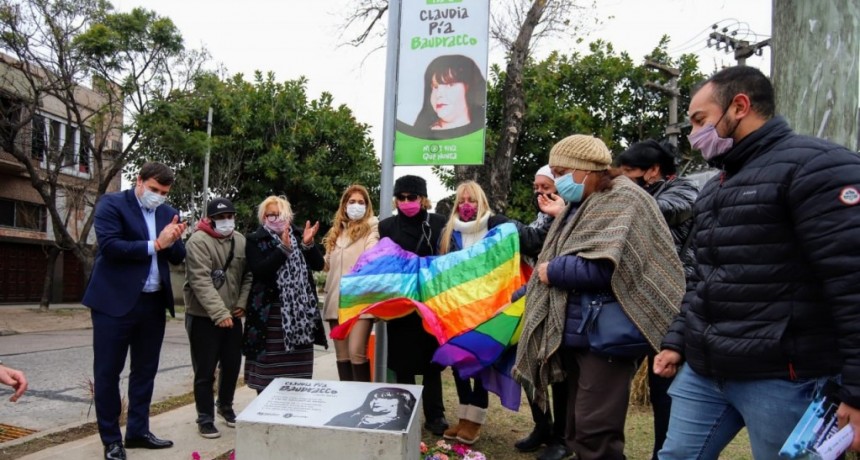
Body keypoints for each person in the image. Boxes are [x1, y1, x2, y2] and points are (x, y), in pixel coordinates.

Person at [654, 66, 860, 458]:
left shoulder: (816, 168)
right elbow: (703, 276)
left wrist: (857, 390)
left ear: (740, 107)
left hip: (783, 377)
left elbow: (852, 281)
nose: (694, 135)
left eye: (700, 120)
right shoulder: (715, 188)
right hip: (705, 371)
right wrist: (678, 339)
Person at [513, 135, 685, 460]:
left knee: (596, 432)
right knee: (577, 430)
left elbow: (608, 267)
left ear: (586, 169)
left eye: (562, 171)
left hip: (608, 337)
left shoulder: (622, 199)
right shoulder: (582, 203)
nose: (558, 180)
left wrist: (554, 270)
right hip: (580, 332)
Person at [82, 162, 187, 460]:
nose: (158, 196)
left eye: (164, 192)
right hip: (113, 303)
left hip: (152, 303)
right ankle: (112, 440)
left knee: (145, 371)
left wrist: (176, 238)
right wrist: (156, 243)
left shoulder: (168, 212)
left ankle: (138, 431)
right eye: (154, 189)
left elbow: (177, 256)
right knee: (107, 373)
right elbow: (111, 246)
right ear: (139, 181)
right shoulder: (112, 204)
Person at [616, 140, 699, 460]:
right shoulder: (647, 194)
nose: (623, 178)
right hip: (641, 301)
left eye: (628, 172)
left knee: (665, 385)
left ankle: (661, 453)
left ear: (653, 171)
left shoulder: (684, 192)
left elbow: (667, 211)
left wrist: (623, 194)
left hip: (674, 302)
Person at [436, 180, 511, 445]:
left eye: (472, 200)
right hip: (456, 309)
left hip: (487, 310)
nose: (467, 206)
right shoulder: (448, 232)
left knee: (479, 363)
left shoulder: (496, 227)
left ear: (482, 202)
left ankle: (475, 419)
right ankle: (464, 415)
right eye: (462, 201)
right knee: (458, 364)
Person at [377, 175, 449, 435]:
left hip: (429, 303)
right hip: (400, 305)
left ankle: (435, 415)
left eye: (412, 197)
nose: (406, 201)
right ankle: (404, 413)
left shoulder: (438, 223)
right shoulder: (386, 226)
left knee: (431, 362)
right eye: (402, 197)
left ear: (422, 198)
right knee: (402, 362)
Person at [183, 197, 252, 439]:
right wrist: (219, 313)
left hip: (233, 316)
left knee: (232, 365)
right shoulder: (197, 241)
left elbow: (248, 276)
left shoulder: (241, 241)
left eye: (229, 216)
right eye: (221, 218)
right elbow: (199, 281)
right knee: (205, 370)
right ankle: (205, 417)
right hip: (203, 317)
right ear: (210, 220)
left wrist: (242, 304)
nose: (226, 221)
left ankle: (225, 406)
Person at [514, 165, 570, 460]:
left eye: (544, 186)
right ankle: (542, 426)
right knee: (527, 361)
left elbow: (535, 242)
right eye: (535, 187)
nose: (539, 192)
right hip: (537, 295)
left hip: (563, 300)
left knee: (558, 371)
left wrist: (507, 226)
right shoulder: (543, 214)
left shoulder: (571, 211)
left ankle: (562, 437)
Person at [242, 195, 325, 393]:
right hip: (269, 316)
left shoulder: (298, 236)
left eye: (281, 215)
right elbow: (261, 271)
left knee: (298, 376)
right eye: (272, 215)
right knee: (268, 375)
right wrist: (283, 250)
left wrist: (308, 245)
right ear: (263, 217)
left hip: (300, 316)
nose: (277, 219)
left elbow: (318, 265)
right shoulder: (254, 240)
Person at [322, 185, 379, 382]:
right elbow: (326, 264)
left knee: (356, 352)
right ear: (344, 205)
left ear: (367, 206)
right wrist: (308, 245)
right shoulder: (336, 232)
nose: (356, 206)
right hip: (335, 301)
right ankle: (345, 401)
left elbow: (373, 256)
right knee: (342, 356)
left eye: (361, 202)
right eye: (352, 202)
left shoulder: (372, 229)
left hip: (359, 302)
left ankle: (363, 400)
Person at [402, 54, 486, 140]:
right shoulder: (417, 136)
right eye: (435, 87)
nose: (439, 94)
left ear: (469, 88)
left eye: (450, 85)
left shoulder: (480, 135)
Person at [325, 387, 417, 431]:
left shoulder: (404, 424)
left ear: (401, 401)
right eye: (373, 397)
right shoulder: (350, 416)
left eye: (384, 397)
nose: (375, 400)